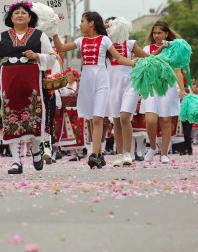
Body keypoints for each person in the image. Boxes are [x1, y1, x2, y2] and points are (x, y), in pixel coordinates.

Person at [0, 0, 56, 174]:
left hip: (32, 82)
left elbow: (52, 58)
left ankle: (36, 151)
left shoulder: (39, 35)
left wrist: (37, 56)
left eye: (23, 12)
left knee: (34, 116)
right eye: (16, 12)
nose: (20, 15)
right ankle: (15, 161)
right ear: (10, 17)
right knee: (10, 118)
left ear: (30, 17)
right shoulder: (2, 37)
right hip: (8, 82)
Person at [52, 12, 137, 169]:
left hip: (101, 81)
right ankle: (98, 154)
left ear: (91, 23)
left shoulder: (104, 40)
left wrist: (134, 63)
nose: (80, 24)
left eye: (82, 21)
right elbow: (60, 48)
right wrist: (53, 29)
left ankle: (93, 154)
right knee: (91, 119)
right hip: (86, 82)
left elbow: (119, 58)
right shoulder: (80, 40)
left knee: (98, 119)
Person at [104, 17, 149, 167]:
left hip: (130, 84)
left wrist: (163, 55)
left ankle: (128, 153)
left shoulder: (130, 44)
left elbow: (147, 58)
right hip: (113, 84)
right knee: (116, 120)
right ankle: (119, 154)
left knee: (125, 117)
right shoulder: (105, 45)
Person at [140, 21, 186, 164]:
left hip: (167, 87)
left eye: (160, 33)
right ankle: (153, 147)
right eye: (154, 33)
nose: (156, 36)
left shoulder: (173, 50)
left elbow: (177, 71)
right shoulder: (147, 48)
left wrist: (182, 90)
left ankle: (164, 153)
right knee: (150, 120)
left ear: (166, 34)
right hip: (151, 87)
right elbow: (146, 62)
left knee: (166, 120)